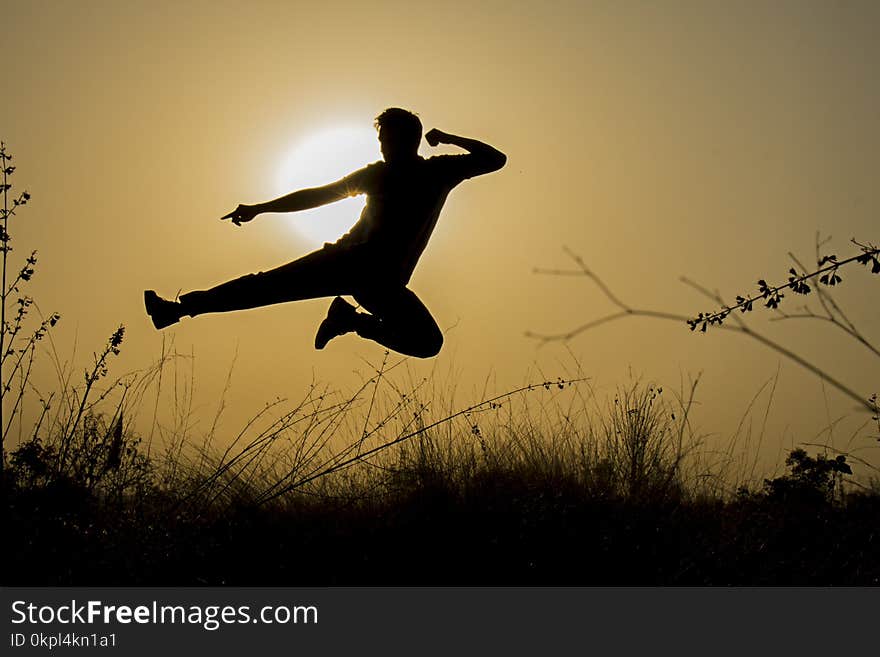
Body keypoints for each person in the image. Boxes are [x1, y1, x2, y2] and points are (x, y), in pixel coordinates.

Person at [144, 108, 506, 358]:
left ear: (403, 140)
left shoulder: (437, 172)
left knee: (427, 343)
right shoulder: (380, 174)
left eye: (386, 140)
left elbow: (496, 158)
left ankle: (350, 321)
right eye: (381, 141)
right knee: (264, 287)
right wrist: (262, 208)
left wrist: (446, 137)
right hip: (347, 262)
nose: (381, 147)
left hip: (382, 283)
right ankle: (176, 309)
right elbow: (317, 196)